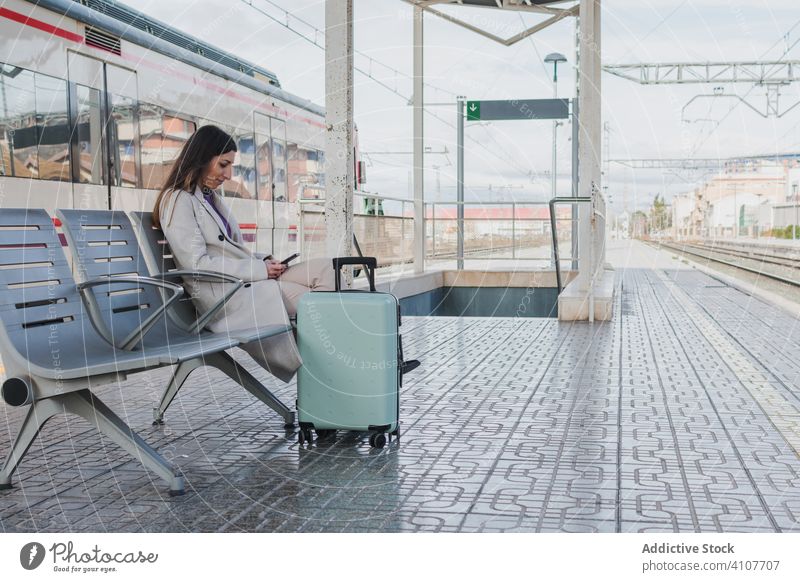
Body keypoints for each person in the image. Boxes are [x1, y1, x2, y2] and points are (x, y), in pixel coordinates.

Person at [153, 125, 335, 382]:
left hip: (245, 280)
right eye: (223, 165)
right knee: (316, 305)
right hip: (225, 296)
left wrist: (263, 261)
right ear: (202, 158)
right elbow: (197, 264)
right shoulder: (177, 200)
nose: (228, 175)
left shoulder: (210, 198)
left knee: (329, 269)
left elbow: (230, 250)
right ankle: (328, 373)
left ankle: (322, 355)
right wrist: (259, 270)